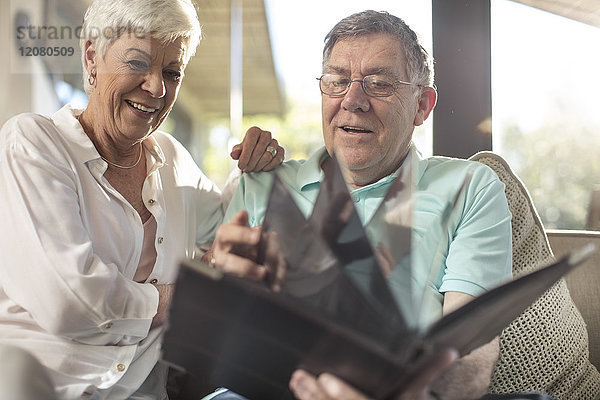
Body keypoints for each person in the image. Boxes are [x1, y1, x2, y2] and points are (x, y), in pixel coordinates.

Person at [207, 10, 514, 400]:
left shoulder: (470, 187)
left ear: (422, 105)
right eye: (336, 81)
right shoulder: (263, 182)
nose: (352, 100)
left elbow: (470, 354)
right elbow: (216, 337)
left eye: (379, 84)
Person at [0, 0, 284, 398]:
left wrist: (257, 169)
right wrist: (191, 290)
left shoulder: (171, 158)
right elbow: (71, 302)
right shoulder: (32, 143)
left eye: (172, 72)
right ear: (91, 57)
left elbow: (232, 227)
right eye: (137, 63)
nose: (157, 88)